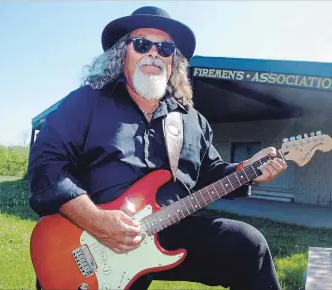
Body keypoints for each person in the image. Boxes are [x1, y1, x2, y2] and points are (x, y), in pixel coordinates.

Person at [28, 6, 287, 290]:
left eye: (165, 48)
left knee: (248, 246)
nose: (154, 53)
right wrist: (96, 220)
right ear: (122, 52)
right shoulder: (87, 102)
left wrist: (248, 169)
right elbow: (47, 162)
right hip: (89, 236)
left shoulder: (192, 121)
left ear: (173, 61)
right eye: (142, 44)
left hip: (166, 231)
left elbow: (208, 172)